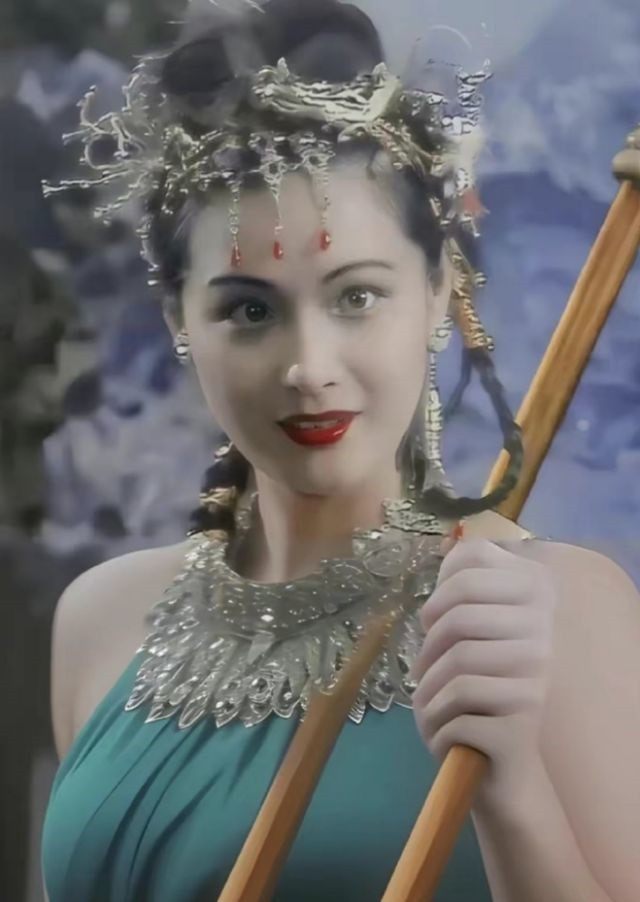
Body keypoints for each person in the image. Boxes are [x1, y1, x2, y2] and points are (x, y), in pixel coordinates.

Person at [41, 2, 640, 900]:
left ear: (439, 291)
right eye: (250, 309)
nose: (308, 368)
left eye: (356, 297)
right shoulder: (100, 618)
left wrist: (510, 787)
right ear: (178, 321)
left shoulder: (555, 608)